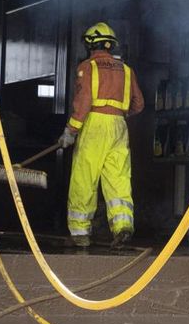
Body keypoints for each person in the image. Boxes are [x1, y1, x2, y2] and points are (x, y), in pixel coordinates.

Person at [61, 21, 144, 248]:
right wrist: (118, 113)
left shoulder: (88, 67)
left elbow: (83, 102)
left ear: (90, 45)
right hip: (119, 125)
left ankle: (80, 234)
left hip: (95, 123)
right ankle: (123, 227)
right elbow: (139, 104)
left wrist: (71, 130)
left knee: (85, 177)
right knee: (118, 178)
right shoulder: (127, 71)